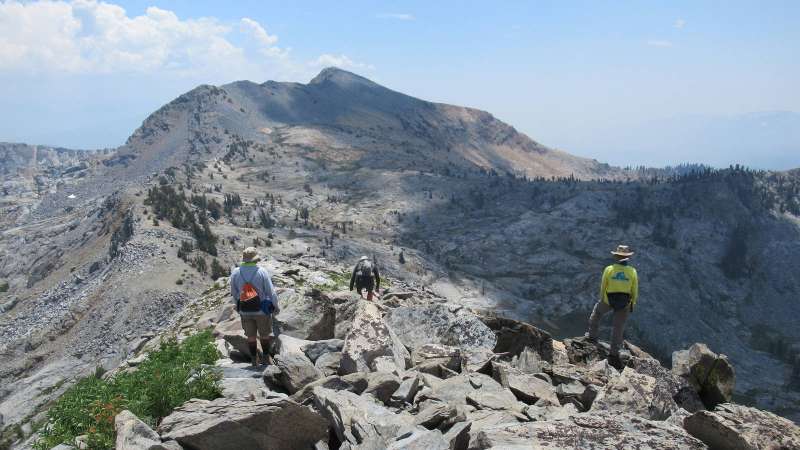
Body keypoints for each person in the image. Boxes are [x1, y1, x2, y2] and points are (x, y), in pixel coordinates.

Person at [586, 244, 639, 368]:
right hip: (624, 302)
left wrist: (603, 299)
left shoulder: (609, 269)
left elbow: (603, 285)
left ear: (616, 256)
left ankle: (592, 337)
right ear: (627, 258)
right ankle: (613, 354)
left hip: (609, 299)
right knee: (618, 327)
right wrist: (632, 303)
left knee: (597, 313)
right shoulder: (632, 271)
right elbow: (634, 290)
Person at [230, 247, 280, 366]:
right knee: (264, 335)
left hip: (245, 310)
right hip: (262, 310)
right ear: (255, 259)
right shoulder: (262, 271)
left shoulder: (236, 272)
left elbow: (234, 292)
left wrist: (239, 306)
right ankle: (266, 358)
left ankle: (254, 359)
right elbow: (271, 292)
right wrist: (276, 306)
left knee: (251, 336)